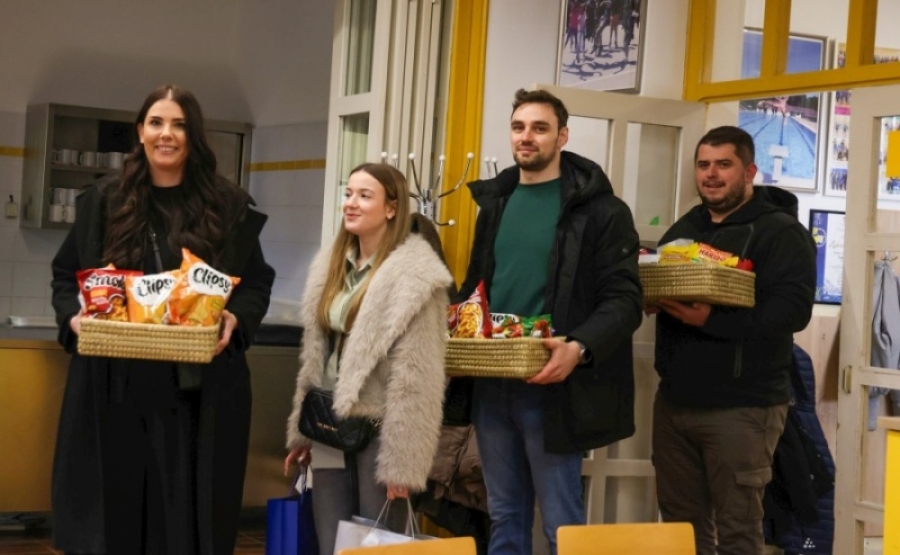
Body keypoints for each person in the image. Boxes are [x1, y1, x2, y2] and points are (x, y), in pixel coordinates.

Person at [50, 85, 275, 555]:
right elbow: (65, 275)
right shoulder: (103, 201)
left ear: (194, 136)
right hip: (113, 386)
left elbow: (255, 283)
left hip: (196, 391)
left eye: (179, 125)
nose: (166, 134)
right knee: (113, 517)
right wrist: (73, 318)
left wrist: (236, 318)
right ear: (140, 132)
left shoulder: (226, 207)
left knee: (186, 523)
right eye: (156, 123)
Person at [456, 88, 642, 555]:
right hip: (491, 381)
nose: (527, 137)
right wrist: (454, 321)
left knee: (562, 525)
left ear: (562, 136)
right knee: (503, 516)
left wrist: (578, 347)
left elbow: (625, 300)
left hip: (554, 384)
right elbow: (476, 286)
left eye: (539, 128)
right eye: (518, 127)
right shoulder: (496, 204)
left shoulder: (601, 210)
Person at [646, 126, 816, 555]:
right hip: (675, 403)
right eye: (703, 165)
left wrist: (711, 320)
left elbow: (793, 312)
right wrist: (649, 297)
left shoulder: (781, 232)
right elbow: (661, 282)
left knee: (738, 530)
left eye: (724, 164)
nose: (711, 174)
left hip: (743, 406)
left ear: (749, 171)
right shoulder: (686, 227)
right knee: (681, 530)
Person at [284, 163, 452, 555]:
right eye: (348, 194)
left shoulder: (417, 277)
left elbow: (418, 377)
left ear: (392, 208)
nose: (351, 203)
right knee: (331, 542)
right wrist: (303, 429)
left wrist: (404, 463)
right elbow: (316, 356)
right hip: (328, 422)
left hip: (381, 432)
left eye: (364, 196)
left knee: (378, 546)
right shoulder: (331, 265)